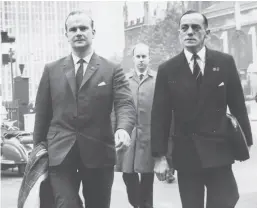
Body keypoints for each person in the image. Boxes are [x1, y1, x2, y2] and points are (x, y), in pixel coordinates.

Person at [33, 10, 136, 208]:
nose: (78, 32)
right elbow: (42, 114)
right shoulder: (51, 70)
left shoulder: (112, 69)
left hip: (99, 153)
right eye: (73, 29)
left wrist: (123, 129)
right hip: (60, 155)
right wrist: (38, 151)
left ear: (93, 32)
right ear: (66, 35)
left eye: (83, 28)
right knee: (66, 205)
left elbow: (124, 103)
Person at [151, 10, 253, 208]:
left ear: (207, 32)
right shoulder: (167, 69)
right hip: (186, 152)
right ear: (179, 33)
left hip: (219, 149)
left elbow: (238, 105)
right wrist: (159, 157)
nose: (189, 32)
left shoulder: (224, 62)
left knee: (227, 199)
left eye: (196, 28)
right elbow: (159, 116)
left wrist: (246, 141)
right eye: (184, 28)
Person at [115, 43, 156, 208]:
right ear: (133, 59)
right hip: (129, 135)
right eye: (138, 57)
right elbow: (117, 106)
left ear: (149, 58)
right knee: (127, 174)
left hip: (149, 134)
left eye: (144, 56)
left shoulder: (157, 79)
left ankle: (145, 206)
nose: (141, 60)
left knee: (148, 175)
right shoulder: (124, 80)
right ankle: (137, 204)